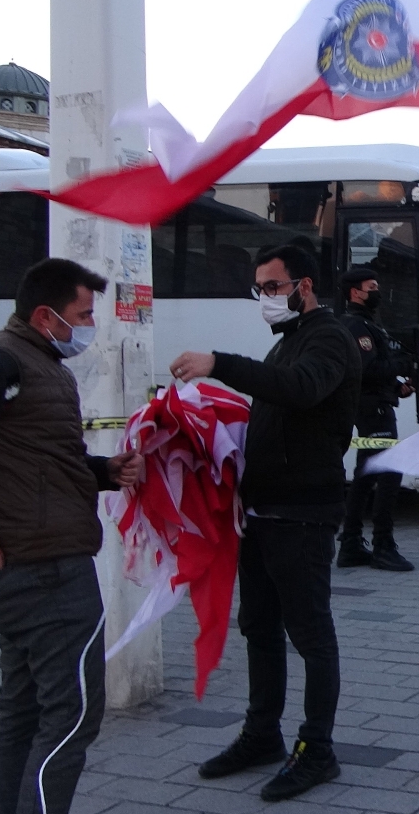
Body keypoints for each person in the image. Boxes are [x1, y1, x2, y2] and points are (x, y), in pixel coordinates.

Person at [0, 258, 142, 814]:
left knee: (24, 711)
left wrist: (104, 472)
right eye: (82, 316)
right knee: (71, 717)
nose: (89, 327)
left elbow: (37, 459)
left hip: (37, 566)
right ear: (44, 316)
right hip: (46, 574)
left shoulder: (37, 362)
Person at [169, 245, 361, 801]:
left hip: (302, 515)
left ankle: (317, 749)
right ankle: (262, 733)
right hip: (262, 512)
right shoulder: (287, 341)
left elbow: (300, 389)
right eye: (260, 288)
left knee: (311, 635)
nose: (265, 298)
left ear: (304, 286)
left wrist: (219, 364)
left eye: (273, 287)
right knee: (258, 627)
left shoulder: (329, 338)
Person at [337, 266, 416, 571]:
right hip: (374, 412)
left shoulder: (367, 323)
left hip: (373, 407)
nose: (377, 292)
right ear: (355, 293)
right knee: (390, 471)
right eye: (371, 287)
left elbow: (372, 373)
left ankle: (351, 543)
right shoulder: (357, 326)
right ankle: (383, 545)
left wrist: (397, 387)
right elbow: (366, 369)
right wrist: (401, 364)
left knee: (366, 473)